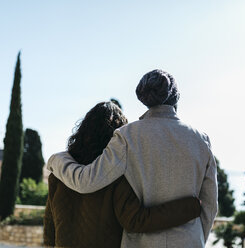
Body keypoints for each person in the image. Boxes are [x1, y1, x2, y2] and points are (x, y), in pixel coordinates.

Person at [48, 69, 218, 248]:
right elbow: (209, 205)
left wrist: (57, 160)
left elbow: (87, 182)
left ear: (144, 97)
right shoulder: (201, 139)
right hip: (190, 242)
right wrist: (198, 237)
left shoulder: (127, 136)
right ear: (175, 97)